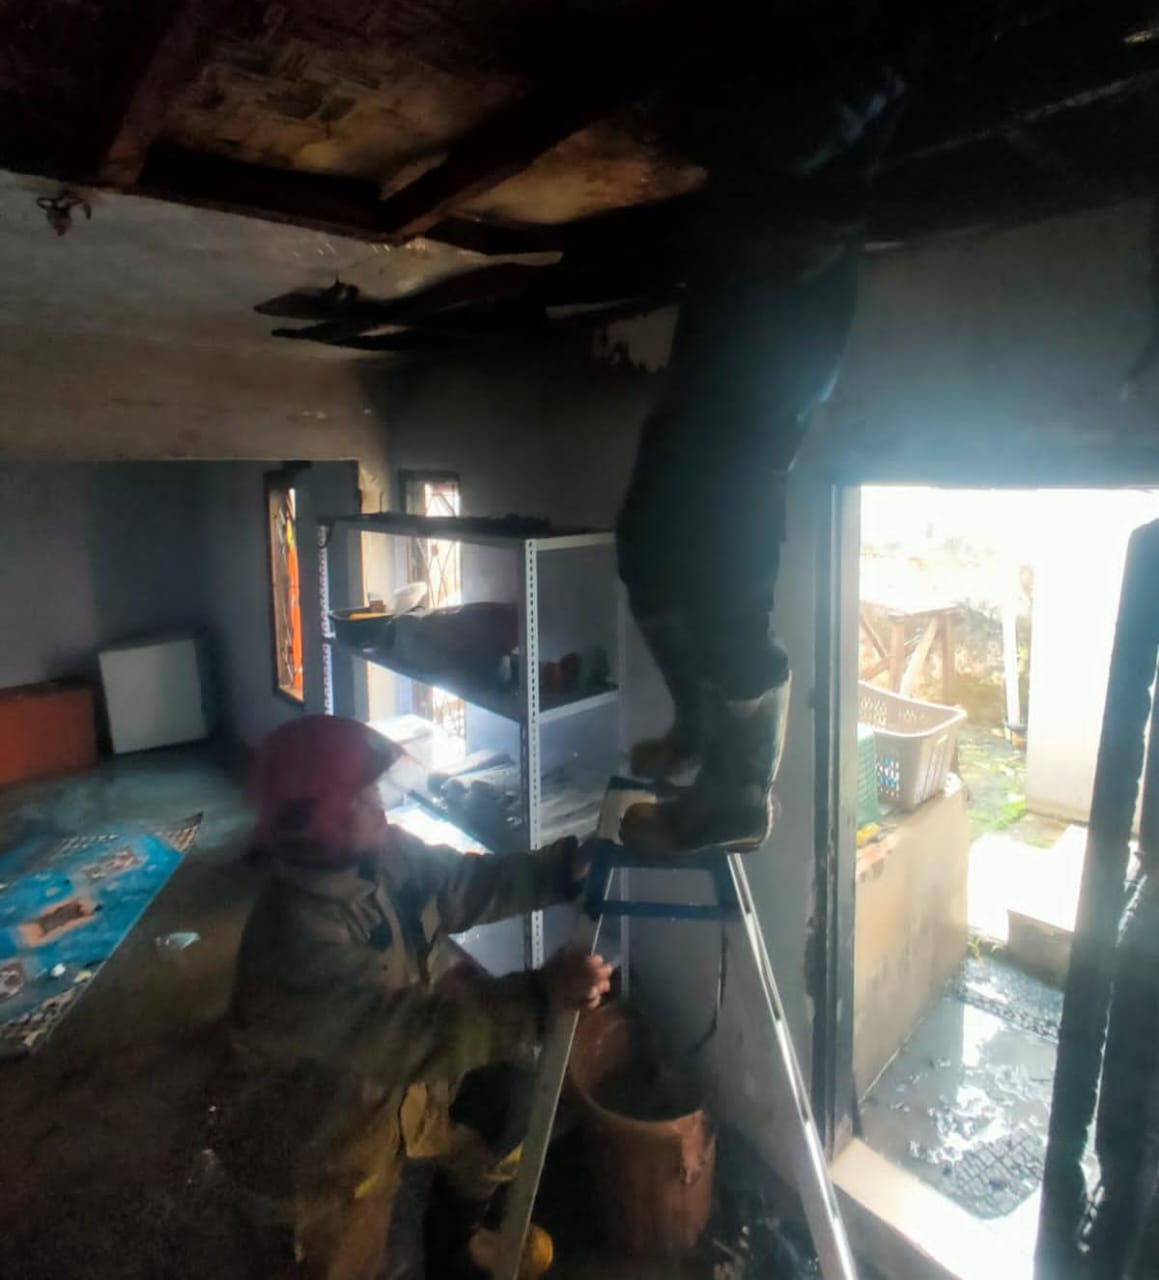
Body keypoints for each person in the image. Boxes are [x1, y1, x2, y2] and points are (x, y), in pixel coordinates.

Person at [214, 715, 611, 1280]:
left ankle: (457, 1243)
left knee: (511, 1099)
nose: (380, 807)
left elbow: (468, 885)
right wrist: (538, 996)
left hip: (394, 1097)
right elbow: (415, 1036)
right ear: (312, 827)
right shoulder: (293, 939)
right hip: (325, 1161)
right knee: (368, 1263)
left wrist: (566, 869)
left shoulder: (384, 856)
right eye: (361, 797)